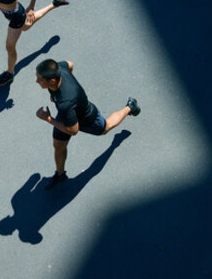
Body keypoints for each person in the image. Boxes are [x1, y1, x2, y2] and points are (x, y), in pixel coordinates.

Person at [33, 59, 140, 189]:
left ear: (52, 81)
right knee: (58, 145)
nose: (36, 81)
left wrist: (48, 119)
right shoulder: (60, 68)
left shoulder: (65, 102)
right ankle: (60, 174)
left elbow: (73, 130)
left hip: (87, 118)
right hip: (67, 114)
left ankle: (130, 107)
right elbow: (70, 64)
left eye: (39, 79)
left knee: (106, 127)